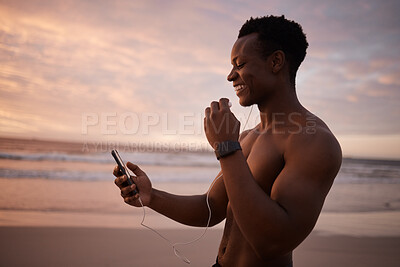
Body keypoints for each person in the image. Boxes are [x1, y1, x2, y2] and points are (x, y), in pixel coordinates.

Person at [114, 15, 342, 267]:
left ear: (276, 61)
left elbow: (272, 243)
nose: (230, 76)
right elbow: (211, 207)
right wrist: (152, 197)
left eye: (240, 64)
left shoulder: (314, 140)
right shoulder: (246, 137)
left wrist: (226, 148)